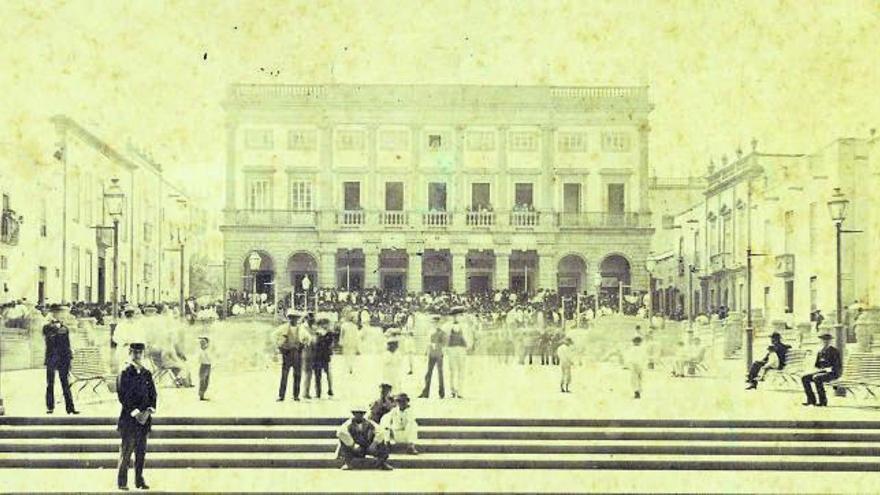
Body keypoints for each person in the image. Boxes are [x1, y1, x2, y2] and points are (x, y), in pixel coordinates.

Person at [116, 342, 158, 490]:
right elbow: (123, 396)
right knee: (126, 452)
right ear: (130, 353)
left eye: (140, 353)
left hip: (144, 420)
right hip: (129, 420)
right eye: (134, 352)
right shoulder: (125, 372)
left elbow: (153, 395)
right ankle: (122, 482)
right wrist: (136, 413)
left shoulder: (147, 373)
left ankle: (139, 481)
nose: (137, 355)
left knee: (141, 452)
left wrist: (147, 412)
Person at [43, 307, 78, 415]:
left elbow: (67, 345)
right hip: (52, 358)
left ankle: (70, 408)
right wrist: (53, 325)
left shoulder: (64, 328)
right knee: (50, 384)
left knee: (65, 383)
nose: (60, 316)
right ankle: (50, 407)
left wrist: (69, 359)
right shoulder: (47, 327)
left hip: (63, 359)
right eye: (57, 314)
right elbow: (49, 336)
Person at [336, 405, 392, 471]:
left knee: (382, 442)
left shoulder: (369, 423)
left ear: (363, 414)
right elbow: (341, 432)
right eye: (356, 413)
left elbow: (380, 432)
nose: (359, 415)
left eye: (361, 413)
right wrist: (352, 444)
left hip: (368, 446)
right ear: (353, 414)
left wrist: (374, 443)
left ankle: (382, 463)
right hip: (355, 447)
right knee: (343, 442)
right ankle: (348, 463)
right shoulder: (348, 424)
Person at [801, 333, 842, 407]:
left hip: (833, 373)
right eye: (823, 340)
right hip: (822, 372)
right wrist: (819, 369)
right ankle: (811, 400)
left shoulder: (834, 351)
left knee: (817, 378)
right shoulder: (820, 352)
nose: (825, 342)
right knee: (805, 378)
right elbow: (817, 365)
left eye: (827, 340)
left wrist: (827, 369)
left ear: (830, 341)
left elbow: (837, 366)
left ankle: (823, 401)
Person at [274, 312, 304, 401]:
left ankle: (296, 395)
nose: (293, 319)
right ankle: (281, 395)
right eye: (291, 318)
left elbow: (308, 338)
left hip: (297, 354)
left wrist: (303, 345)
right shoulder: (284, 328)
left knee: (297, 375)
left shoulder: (301, 329)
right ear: (289, 318)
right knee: (284, 375)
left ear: (297, 319)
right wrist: (279, 346)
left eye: (295, 318)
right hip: (287, 353)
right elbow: (274, 335)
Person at [419, 316, 447, 399]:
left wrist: (437, 345)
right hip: (431, 354)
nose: (434, 324)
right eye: (433, 322)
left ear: (438, 323)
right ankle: (425, 392)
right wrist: (426, 351)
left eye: (436, 323)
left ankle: (441, 393)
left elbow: (444, 343)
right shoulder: (430, 331)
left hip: (438, 354)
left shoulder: (442, 332)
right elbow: (428, 343)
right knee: (428, 373)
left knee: (440, 374)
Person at [312, 317, 335, 398]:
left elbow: (329, 344)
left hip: (322, 356)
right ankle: (319, 391)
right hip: (320, 356)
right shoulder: (319, 333)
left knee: (325, 374)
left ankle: (328, 389)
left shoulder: (328, 334)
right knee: (320, 374)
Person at [197, 336, 212, 401]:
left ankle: (201, 394)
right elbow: (199, 359)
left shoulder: (208, 350)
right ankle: (201, 395)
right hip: (203, 365)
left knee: (206, 381)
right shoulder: (201, 350)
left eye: (204, 342)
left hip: (208, 366)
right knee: (203, 381)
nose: (202, 344)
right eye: (201, 342)